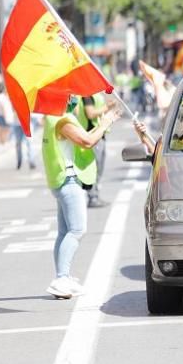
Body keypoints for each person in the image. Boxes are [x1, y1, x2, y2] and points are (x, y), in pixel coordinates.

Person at [42, 97, 121, 299]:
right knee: (77, 229)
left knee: (64, 231)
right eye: (72, 98)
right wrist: (105, 123)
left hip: (62, 180)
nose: (77, 103)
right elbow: (87, 142)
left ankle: (64, 276)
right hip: (68, 180)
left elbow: (86, 136)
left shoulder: (55, 117)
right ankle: (60, 279)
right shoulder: (62, 120)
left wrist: (105, 123)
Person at [81, 93, 110, 208]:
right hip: (92, 137)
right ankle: (92, 197)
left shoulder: (96, 94)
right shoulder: (86, 95)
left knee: (99, 168)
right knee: (94, 169)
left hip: (98, 135)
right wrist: (107, 107)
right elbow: (90, 113)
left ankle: (94, 195)